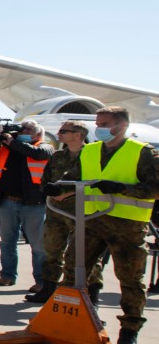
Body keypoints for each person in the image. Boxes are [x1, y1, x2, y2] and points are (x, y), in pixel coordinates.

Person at [54, 106, 158, 344]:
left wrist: (122, 188)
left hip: (127, 224)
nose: (99, 128)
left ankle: (129, 331)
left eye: (104, 124)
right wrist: (60, 187)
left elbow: (155, 188)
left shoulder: (142, 152)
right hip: (91, 220)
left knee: (130, 279)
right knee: (73, 270)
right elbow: (76, 178)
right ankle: (74, 320)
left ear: (122, 126)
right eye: (98, 124)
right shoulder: (89, 150)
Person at [25, 120, 104, 303]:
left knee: (86, 254)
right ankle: (48, 290)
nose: (59, 134)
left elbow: (95, 182)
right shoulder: (57, 156)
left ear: (78, 135)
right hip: (56, 211)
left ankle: (92, 294)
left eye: (64, 131)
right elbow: (45, 179)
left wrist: (67, 193)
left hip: (82, 211)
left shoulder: (92, 155)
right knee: (51, 250)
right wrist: (50, 191)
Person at [0, 119, 54, 291]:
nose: (22, 134)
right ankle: (7, 275)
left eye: (27, 131)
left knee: (38, 245)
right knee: (7, 242)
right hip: (7, 201)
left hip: (34, 204)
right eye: (21, 131)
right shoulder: (7, 148)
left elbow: (38, 154)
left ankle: (41, 281)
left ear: (38, 134)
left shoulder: (45, 147)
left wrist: (13, 142)